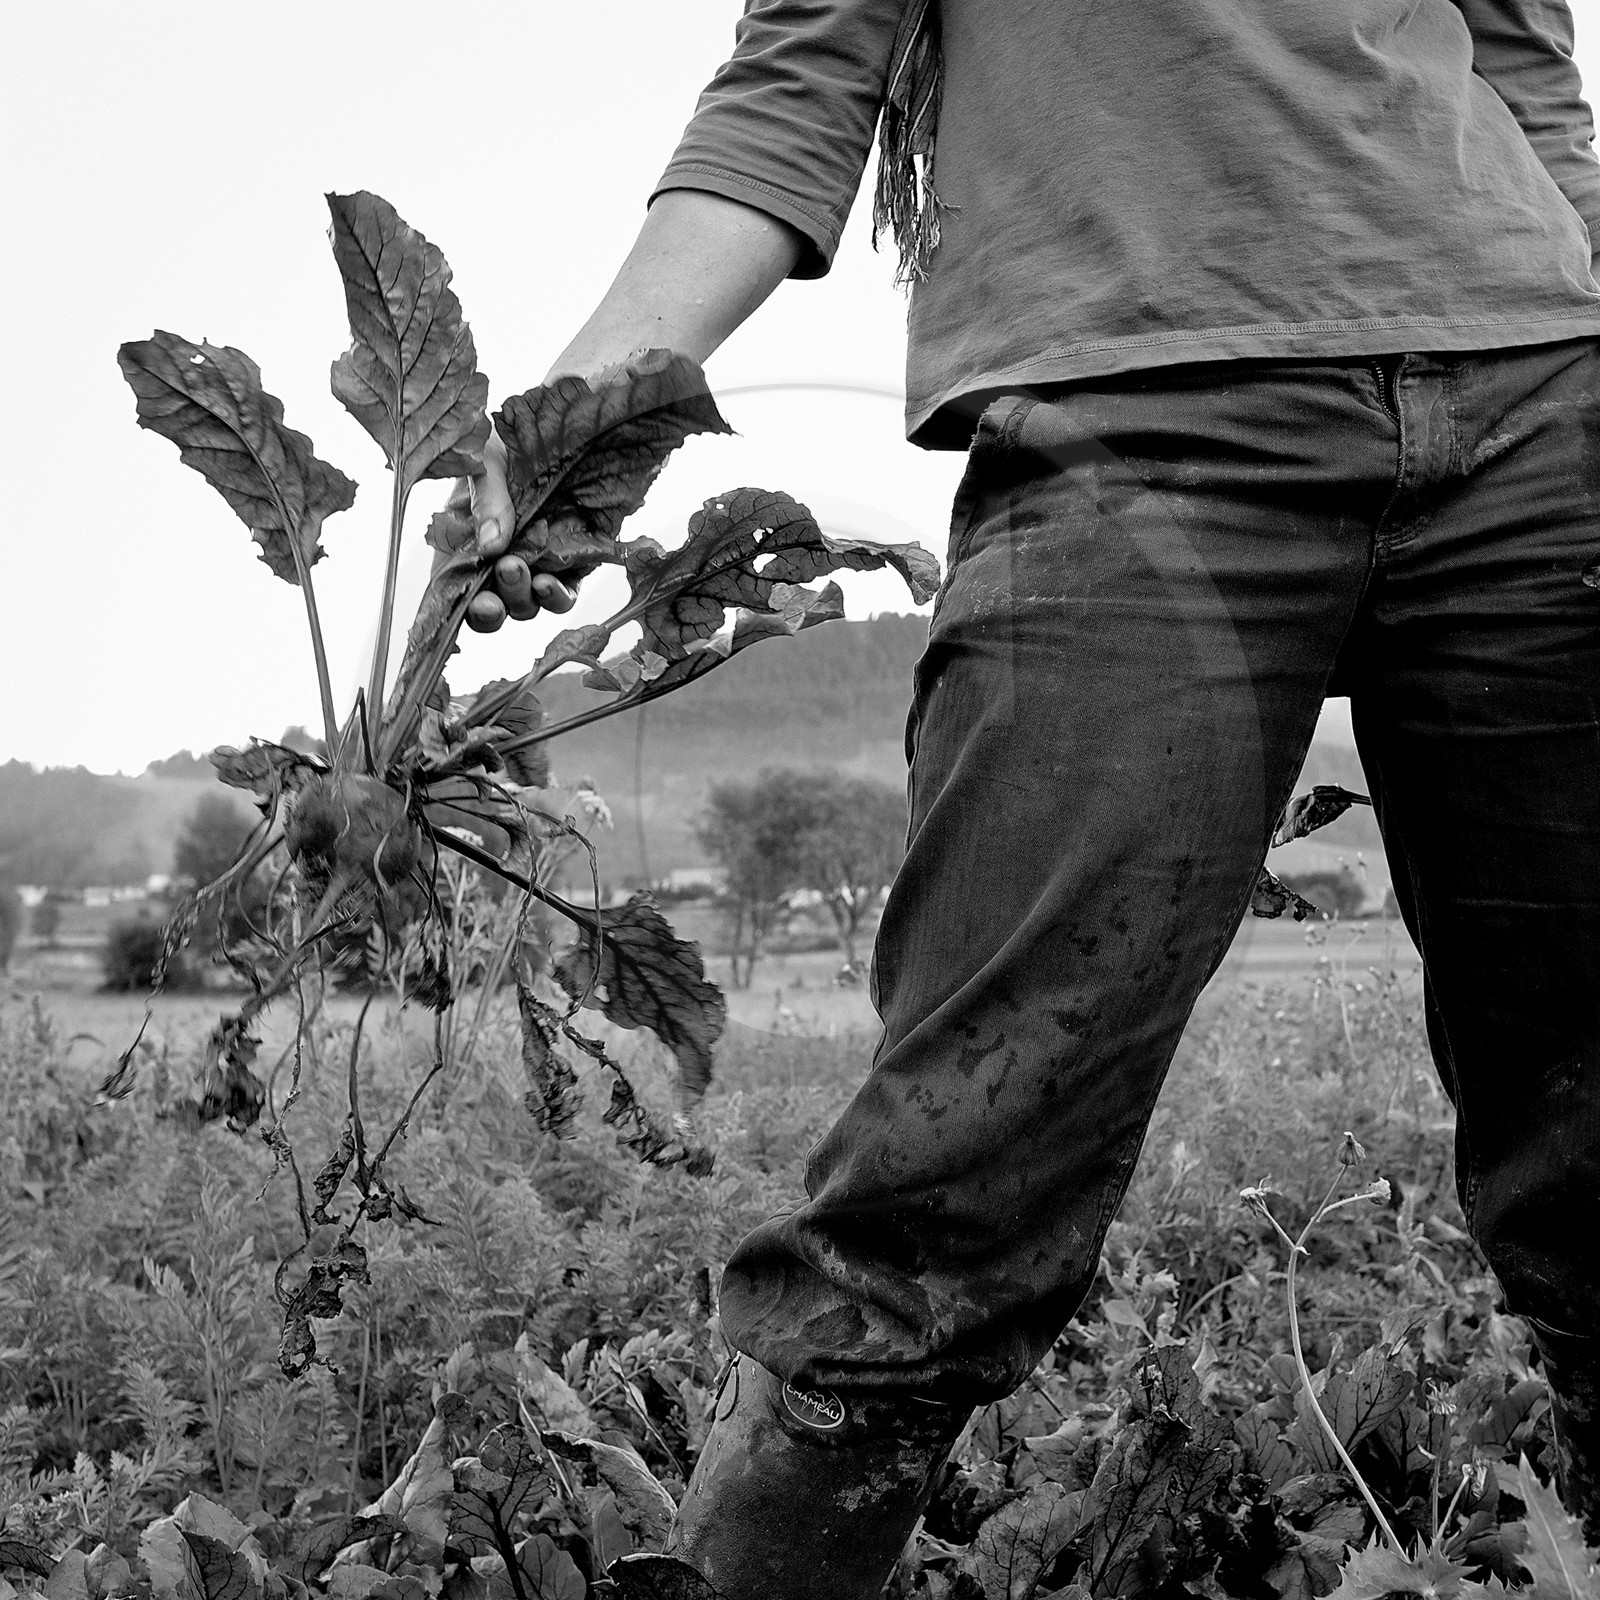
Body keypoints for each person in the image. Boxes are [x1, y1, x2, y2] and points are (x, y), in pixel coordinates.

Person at [447, 3, 1600, 1594]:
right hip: (1136, 425)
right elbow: (795, 91)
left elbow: (1522, 64)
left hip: (1543, 406)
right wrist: (586, 406)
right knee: (956, 1180)